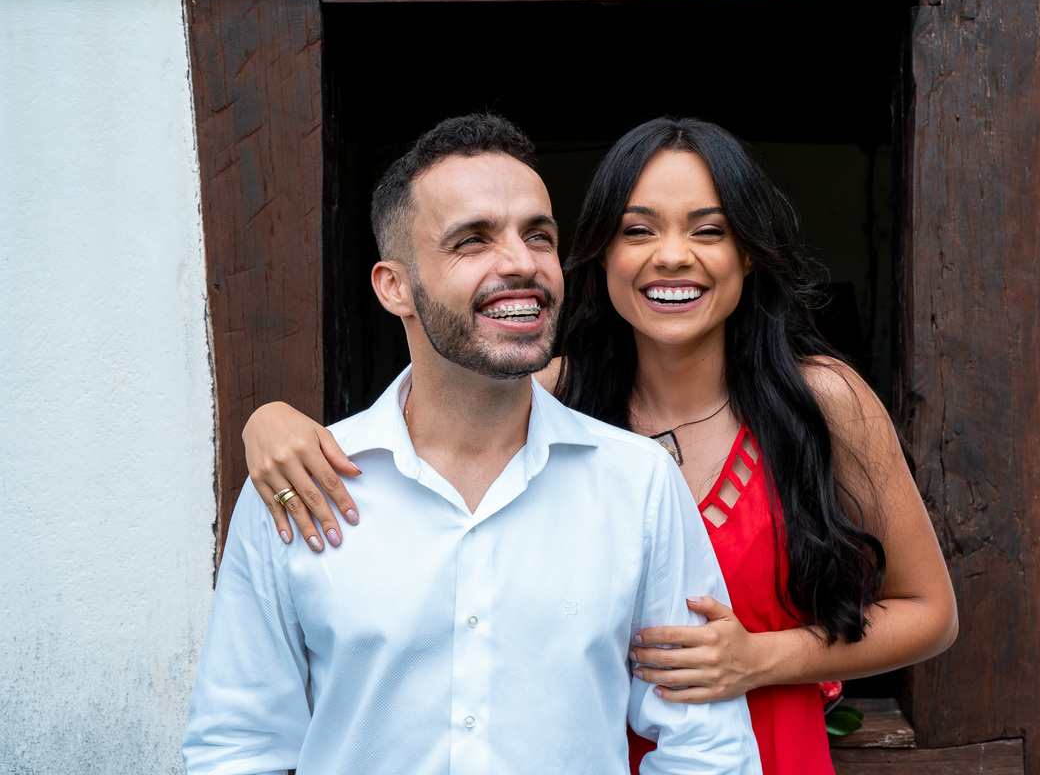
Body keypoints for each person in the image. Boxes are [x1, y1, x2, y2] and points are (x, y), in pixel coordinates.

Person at [243, 117, 958, 774]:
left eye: (708, 231)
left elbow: (930, 612)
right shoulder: (552, 391)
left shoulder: (821, 399)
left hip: (755, 743)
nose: (672, 257)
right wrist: (267, 420)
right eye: (638, 231)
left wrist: (762, 658)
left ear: (746, 256)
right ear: (602, 255)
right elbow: (428, 408)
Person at [183, 114, 761, 775]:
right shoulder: (297, 486)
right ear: (395, 287)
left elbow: (705, 747)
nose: (521, 263)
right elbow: (237, 747)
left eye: (538, 236)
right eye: (472, 241)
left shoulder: (640, 484)